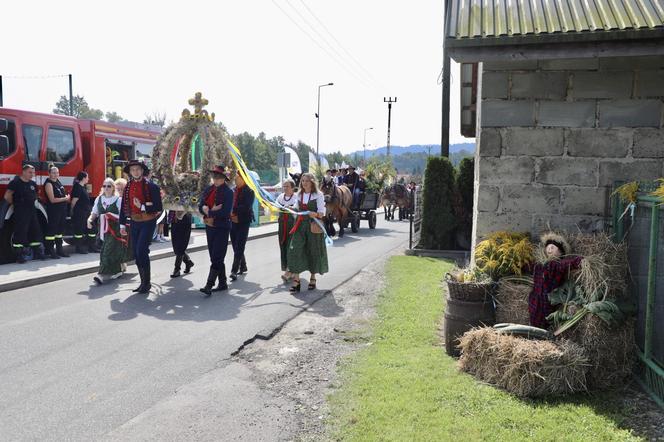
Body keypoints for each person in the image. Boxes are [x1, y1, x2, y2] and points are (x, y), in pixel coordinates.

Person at [119, 160, 163, 294]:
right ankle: (144, 283)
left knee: (141, 251)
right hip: (134, 222)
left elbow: (158, 207)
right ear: (130, 172)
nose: (135, 172)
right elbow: (123, 207)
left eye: (137, 169)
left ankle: (146, 283)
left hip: (148, 222)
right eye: (132, 170)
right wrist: (122, 224)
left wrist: (142, 206)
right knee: (137, 253)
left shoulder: (152, 186)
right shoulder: (127, 187)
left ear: (142, 170)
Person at [528, 233, 583, 328]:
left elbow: (569, 263)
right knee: (534, 318)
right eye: (548, 247)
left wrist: (580, 260)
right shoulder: (540, 264)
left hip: (547, 298)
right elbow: (529, 267)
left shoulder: (556, 265)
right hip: (535, 297)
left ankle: (542, 335)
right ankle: (534, 333)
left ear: (560, 252)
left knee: (545, 320)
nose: (549, 249)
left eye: (553, 247)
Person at [287, 172, 328, 292]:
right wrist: (290, 209)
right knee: (294, 250)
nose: (304, 183)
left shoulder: (318, 195)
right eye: (303, 181)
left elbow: (322, 213)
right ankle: (296, 280)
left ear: (312, 182)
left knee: (313, 251)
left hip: (313, 227)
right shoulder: (299, 194)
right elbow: (296, 208)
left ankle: (313, 278)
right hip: (300, 226)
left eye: (307, 181)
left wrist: (314, 213)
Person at [198, 165, 234, 296]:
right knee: (215, 256)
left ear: (224, 178)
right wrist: (205, 209)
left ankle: (209, 285)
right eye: (214, 177)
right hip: (210, 227)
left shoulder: (228, 192)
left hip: (222, 227)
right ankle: (223, 283)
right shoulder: (208, 189)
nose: (216, 179)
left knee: (217, 256)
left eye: (218, 177)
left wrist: (211, 211)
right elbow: (201, 204)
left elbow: (225, 212)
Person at [4, 165, 45, 263]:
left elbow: (36, 194)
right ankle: (19, 255)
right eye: (30, 172)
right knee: (20, 232)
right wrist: (15, 204)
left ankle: (37, 252)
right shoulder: (15, 183)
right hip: (21, 211)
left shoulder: (32, 184)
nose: (32, 174)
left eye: (33, 172)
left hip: (32, 210)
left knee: (35, 230)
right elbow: (7, 196)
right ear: (24, 172)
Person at [88, 178, 126, 284]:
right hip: (103, 230)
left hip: (115, 230)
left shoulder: (118, 200)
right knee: (110, 250)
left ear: (113, 188)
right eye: (104, 186)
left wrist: (112, 216)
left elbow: (123, 215)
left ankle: (101, 274)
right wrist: (89, 219)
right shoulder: (99, 199)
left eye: (109, 186)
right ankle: (117, 270)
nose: (106, 188)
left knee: (106, 251)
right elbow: (94, 212)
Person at [230, 173, 255, 281]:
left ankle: (234, 270)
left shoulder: (249, 191)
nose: (235, 179)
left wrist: (235, 213)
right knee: (235, 244)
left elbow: (246, 206)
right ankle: (243, 265)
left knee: (240, 244)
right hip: (232, 220)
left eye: (237, 177)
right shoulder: (232, 190)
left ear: (243, 178)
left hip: (243, 220)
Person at [43, 165, 71, 259]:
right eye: (53, 173)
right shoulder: (48, 184)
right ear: (49, 173)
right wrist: (65, 198)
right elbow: (52, 200)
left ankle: (60, 250)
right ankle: (50, 251)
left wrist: (66, 198)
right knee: (52, 231)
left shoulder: (58, 182)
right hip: (53, 211)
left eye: (57, 173)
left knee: (59, 232)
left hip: (62, 210)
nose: (56, 174)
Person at [70, 171, 99, 254]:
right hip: (80, 213)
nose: (88, 179)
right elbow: (73, 202)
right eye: (87, 177)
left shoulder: (82, 187)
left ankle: (91, 246)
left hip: (86, 212)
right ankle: (78, 248)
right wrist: (72, 211)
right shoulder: (77, 188)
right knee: (79, 230)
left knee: (92, 229)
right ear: (83, 178)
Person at [276, 178, 297, 282]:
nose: (285, 188)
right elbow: (276, 207)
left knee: (291, 247)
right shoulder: (280, 197)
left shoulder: (296, 198)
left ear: (293, 188)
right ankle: (289, 270)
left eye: (287, 186)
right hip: (282, 225)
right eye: (284, 186)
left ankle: (289, 271)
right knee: (283, 246)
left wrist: (291, 208)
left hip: (292, 225)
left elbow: (298, 211)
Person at [169, 210, 194, 278]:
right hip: (174, 221)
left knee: (181, 247)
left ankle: (177, 269)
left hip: (185, 221)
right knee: (176, 248)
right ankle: (188, 262)